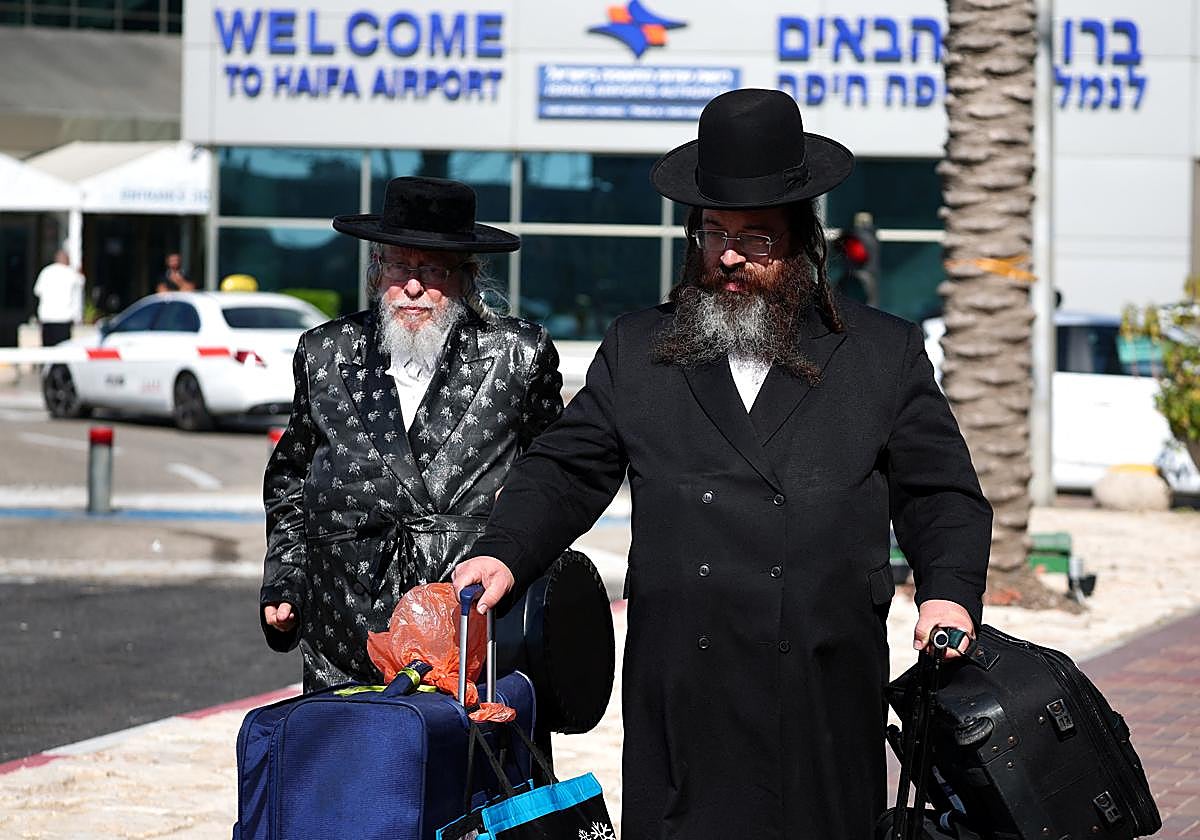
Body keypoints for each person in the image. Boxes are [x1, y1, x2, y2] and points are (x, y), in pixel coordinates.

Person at [453, 89, 992, 840]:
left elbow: (943, 497)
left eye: (756, 238)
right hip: (685, 683)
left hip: (822, 677)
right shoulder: (640, 350)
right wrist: (502, 552)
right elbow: (565, 470)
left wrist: (950, 593)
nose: (730, 256)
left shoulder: (882, 352)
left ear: (803, 241)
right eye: (714, 234)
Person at [259, 176, 564, 694]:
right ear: (377, 271)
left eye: (432, 270)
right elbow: (290, 478)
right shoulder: (325, 353)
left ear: (466, 278)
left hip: (469, 627)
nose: (414, 287)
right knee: (355, 769)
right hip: (347, 623)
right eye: (400, 266)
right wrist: (284, 579)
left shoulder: (518, 355)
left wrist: (518, 561)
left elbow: (555, 478)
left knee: (470, 770)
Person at [32, 250, 85, 347]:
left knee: (48, 351)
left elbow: (37, 292)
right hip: (63, 318)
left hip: (47, 317)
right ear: (67, 260)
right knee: (62, 352)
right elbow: (81, 282)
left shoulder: (46, 272)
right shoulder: (70, 273)